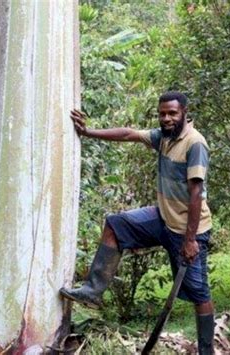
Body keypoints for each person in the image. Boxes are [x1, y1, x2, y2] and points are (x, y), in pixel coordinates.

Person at [60, 92, 215, 354]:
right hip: (163, 219)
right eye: (162, 113)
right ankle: (92, 291)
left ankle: (206, 350)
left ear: (185, 112)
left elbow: (197, 193)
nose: (166, 118)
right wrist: (88, 132)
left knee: (199, 294)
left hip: (189, 230)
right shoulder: (164, 138)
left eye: (172, 113)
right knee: (116, 224)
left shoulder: (194, 143)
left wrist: (189, 240)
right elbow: (128, 134)